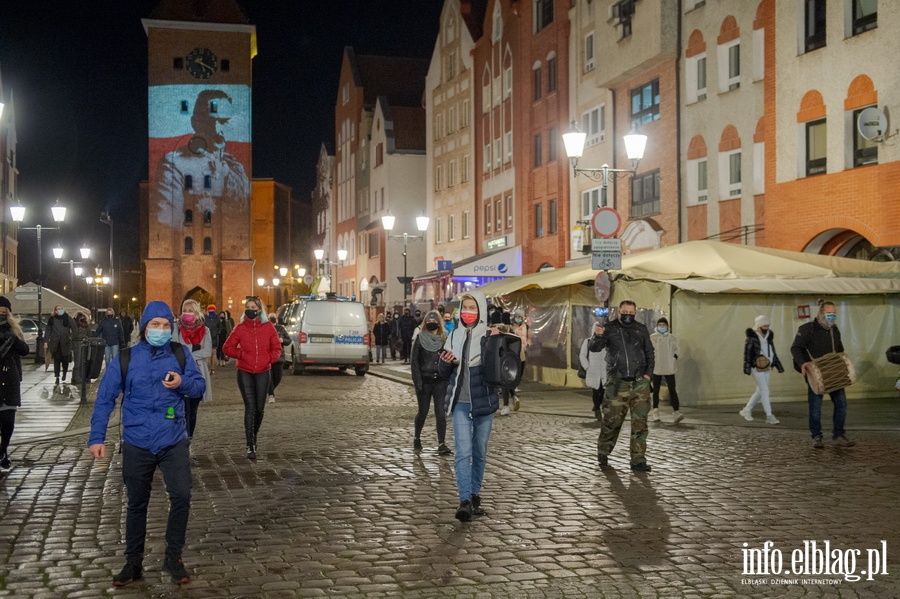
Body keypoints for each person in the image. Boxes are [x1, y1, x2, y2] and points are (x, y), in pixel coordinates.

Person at [88, 300, 206, 587]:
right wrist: (97, 437)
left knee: (181, 496)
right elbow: (105, 398)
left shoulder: (180, 354)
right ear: (144, 328)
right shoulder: (126, 359)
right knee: (137, 503)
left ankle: (173, 557)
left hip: (172, 437)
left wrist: (182, 383)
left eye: (166, 326)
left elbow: (199, 387)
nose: (161, 330)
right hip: (137, 440)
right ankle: (133, 561)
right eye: (155, 325)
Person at [439, 291, 499, 521]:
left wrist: (494, 345)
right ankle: (464, 500)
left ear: (481, 310)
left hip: (483, 402)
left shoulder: (488, 336)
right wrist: (444, 364)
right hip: (460, 403)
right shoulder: (453, 335)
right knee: (463, 452)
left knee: (479, 452)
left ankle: (475, 496)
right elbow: (444, 373)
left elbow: (500, 370)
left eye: (472, 307)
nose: (468, 312)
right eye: (465, 307)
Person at [152, 89, 251, 227]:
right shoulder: (174, 163)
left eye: (225, 120)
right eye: (212, 119)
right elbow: (166, 220)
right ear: (195, 122)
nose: (218, 127)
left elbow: (244, 214)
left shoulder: (235, 167)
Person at [590, 300, 655, 473]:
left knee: (640, 423)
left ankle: (638, 459)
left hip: (640, 383)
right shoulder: (609, 328)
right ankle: (603, 451)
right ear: (618, 312)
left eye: (631, 312)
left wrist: (648, 375)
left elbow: (649, 352)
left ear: (635, 313)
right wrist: (597, 335)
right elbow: (595, 348)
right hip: (617, 384)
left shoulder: (640, 329)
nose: (628, 315)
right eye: (624, 311)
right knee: (612, 421)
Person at [222, 297, 282, 460]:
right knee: (250, 406)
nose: (250, 310)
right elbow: (227, 348)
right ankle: (250, 445)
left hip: (263, 371)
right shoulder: (240, 328)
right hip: (245, 371)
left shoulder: (269, 327)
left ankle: (253, 436)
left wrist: (269, 358)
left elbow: (277, 348)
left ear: (259, 310)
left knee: (259, 408)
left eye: (253, 307)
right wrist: (241, 354)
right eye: (248, 307)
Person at [790, 300, 855, 449]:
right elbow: (795, 348)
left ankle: (838, 435)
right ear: (820, 313)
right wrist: (803, 364)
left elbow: (839, 349)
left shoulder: (834, 330)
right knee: (815, 406)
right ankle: (816, 436)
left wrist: (842, 363)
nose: (832, 316)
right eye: (829, 313)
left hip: (833, 374)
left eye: (834, 314)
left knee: (841, 404)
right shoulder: (807, 328)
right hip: (815, 375)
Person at [411, 310, 452, 456]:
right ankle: (417, 438)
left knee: (440, 413)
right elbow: (414, 361)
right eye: (428, 322)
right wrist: (418, 382)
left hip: (440, 381)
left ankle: (441, 443)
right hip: (425, 380)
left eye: (433, 321)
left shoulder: (444, 339)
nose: (431, 323)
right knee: (423, 412)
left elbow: (449, 359)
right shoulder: (420, 339)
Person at [173, 300, 213, 445]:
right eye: (185, 309)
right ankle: (182, 440)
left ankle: (189, 439)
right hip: (181, 372)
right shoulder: (176, 328)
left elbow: (207, 351)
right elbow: (176, 349)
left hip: (198, 372)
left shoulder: (205, 330)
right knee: (183, 408)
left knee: (193, 411)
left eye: (190, 310)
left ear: (197, 313)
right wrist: (195, 349)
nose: (187, 313)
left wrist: (187, 353)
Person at [0, 297, 31, 474]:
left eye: (5, 312)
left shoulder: (13, 331)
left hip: (9, 379)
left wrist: (12, 336)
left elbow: (24, 350)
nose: (2, 314)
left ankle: (3, 450)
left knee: (8, 421)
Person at [739, 315, 784, 425]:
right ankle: (769, 415)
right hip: (756, 367)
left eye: (768, 325)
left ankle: (747, 410)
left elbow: (772, 351)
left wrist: (777, 364)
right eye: (764, 325)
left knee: (760, 391)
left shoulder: (769, 336)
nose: (766, 327)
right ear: (758, 325)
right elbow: (747, 353)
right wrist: (747, 367)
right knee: (765, 391)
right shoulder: (752, 338)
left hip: (767, 366)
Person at [649, 317, 684, 424]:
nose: (662, 327)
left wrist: (674, 357)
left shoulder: (672, 338)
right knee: (655, 390)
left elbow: (677, 349)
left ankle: (676, 412)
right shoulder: (652, 338)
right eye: (660, 325)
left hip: (669, 367)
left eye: (664, 325)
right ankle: (655, 411)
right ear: (657, 326)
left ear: (667, 326)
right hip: (657, 367)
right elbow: (649, 350)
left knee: (672, 390)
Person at [579, 321, 608, 420]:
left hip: (605, 371)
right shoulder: (588, 341)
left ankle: (600, 406)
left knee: (604, 391)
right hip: (593, 370)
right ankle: (597, 408)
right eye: (597, 328)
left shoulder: (607, 342)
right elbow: (582, 355)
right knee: (596, 390)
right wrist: (587, 367)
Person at [45, 304, 75, 385]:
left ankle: (64, 373)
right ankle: (57, 376)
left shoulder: (67, 318)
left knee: (65, 360)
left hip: (65, 342)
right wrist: (46, 341)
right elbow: (48, 330)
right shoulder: (52, 319)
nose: (60, 310)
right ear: (55, 311)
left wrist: (71, 337)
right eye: (58, 309)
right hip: (55, 343)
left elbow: (74, 328)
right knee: (57, 360)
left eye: (61, 309)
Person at [267, 314, 291, 403]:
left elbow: (289, 340)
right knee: (268, 377)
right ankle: (271, 394)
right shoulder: (265, 328)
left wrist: (282, 340)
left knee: (277, 377)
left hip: (279, 357)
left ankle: (268, 390)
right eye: (270, 318)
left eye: (274, 318)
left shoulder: (281, 329)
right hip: (267, 357)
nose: (272, 320)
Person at [70, 312, 91, 386]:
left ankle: (80, 377)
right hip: (78, 344)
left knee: (83, 361)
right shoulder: (76, 325)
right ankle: (77, 377)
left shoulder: (84, 326)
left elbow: (89, 334)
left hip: (83, 344)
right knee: (78, 362)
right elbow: (73, 335)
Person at [204, 305, 221, 375]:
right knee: (209, 354)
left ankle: (212, 368)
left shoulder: (216, 318)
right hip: (208, 337)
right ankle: (209, 368)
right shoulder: (206, 318)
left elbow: (220, 327)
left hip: (213, 337)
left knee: (213, 353)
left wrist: (217, 333)